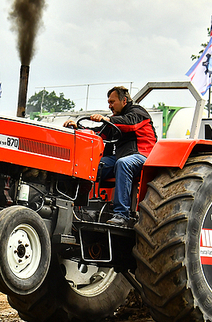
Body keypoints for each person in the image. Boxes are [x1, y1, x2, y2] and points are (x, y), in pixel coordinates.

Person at [64, 86, 157, 227]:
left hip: (143, 156)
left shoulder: (138, 113)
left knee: (123, 164)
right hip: (120, 156)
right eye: (109, 102)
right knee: (89, 165)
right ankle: (77, 207)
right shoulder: (114, 120)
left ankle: (122, 215)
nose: (110, 105)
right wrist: (78, 129)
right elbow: (99, 133)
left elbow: (130, 124)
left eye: (112, 102)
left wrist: (106, 119)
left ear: (124, 100)